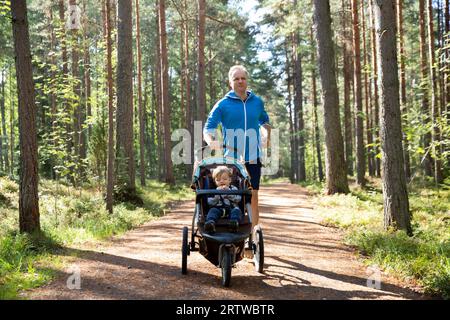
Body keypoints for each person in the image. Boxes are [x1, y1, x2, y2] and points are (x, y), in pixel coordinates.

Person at [203, 65, 272, 229]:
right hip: (231, 159)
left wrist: (267, 136)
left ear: (247, 80)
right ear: (230, 82)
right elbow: (208, 128)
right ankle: (233, 232)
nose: (240, 81)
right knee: (232, 194)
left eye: (243, 78)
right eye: (236, 78)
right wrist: (210, 141)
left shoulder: (257, 102)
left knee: (253, 195)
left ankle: (254, 236)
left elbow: (265, 122)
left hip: (253, 156)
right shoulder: (222, 104)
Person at [204, 166, 242, 233]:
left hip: (232, 208)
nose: (221, 181)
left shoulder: (234, 189)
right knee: (212, 211)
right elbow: (209, 202)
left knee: (237, 211)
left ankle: (234, 223)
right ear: (215, 182)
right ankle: (210, 223)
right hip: (219, 209)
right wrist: (217, 196)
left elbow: (238, 199)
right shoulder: (213, 191)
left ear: (230, 180)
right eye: (218, 180)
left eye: (224, 179)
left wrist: (230, 194)